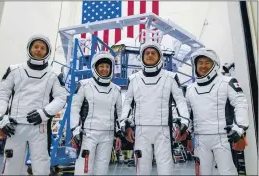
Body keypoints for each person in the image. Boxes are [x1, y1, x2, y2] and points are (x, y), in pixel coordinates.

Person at [0, 34, 67, 175]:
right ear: (29, 48)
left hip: (40, 127)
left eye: (42, 48)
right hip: (15, 126)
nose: (39, 50)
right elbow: (2, 94)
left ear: (47, 52)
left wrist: (43, 113)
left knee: (41, 166)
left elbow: (61, 98)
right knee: (11, 165)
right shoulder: (14, 70)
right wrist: (1, 118)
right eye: (36, 47)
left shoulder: (53, 74)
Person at [120, 42, 190, 175]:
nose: (150, 55)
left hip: (163, 131)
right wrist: (125, 124)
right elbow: (127, 104)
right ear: (142, 56)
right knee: (142, 170)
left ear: (160, 57)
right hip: (141, 131)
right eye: (147, 53)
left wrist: (183, 123)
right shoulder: (133, 79)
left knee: (166, 170)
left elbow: (180, 101)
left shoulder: (171, 77)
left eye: (153, 53)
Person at [186, 48, 249, 175]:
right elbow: (187, 114)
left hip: (224, 138)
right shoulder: (190, 89)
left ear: (215, 64)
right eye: (200, 63)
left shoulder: (227, 82)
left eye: (207, 62)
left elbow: (240, 104)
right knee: (203, 172)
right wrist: (187, 135)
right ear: (195, 65)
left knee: (228, 172)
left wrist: (240, 130)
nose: (203, 66)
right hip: (200, 139)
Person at [70, 51, 122, 175]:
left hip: (108, 136)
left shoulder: (116, 89)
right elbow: (75, 108)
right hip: (88, 135)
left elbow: (120, 113)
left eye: (107, 66)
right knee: (84, 170)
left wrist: (119, 134)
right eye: (101, 66)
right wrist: (75, 130)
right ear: (95, 67)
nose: (104, 69)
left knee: (101, 170)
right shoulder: (84, 85)